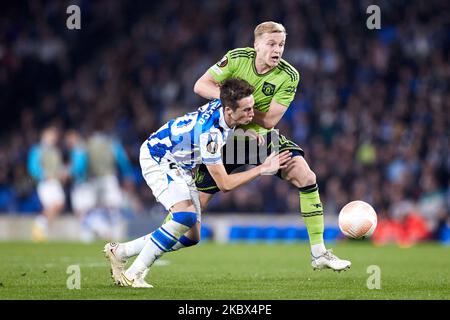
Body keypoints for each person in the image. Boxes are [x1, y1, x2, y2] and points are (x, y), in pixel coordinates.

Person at [193, 21, 351, 271]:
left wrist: (242, 109)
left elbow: (269, 120)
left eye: (282, 45)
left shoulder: (289, 76)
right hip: (224, 138)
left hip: (259, 138)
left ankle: (319, 253)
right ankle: (139, 254)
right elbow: (201, 85)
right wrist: (233, 104)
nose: (277, 50)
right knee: (192, 209)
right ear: (256, 45)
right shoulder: (237, 58)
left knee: (305, 175)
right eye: (271, 44)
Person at [104, 78, 292, 288]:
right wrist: (261, 169)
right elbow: (225, 184)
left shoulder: (223, 107)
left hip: (181, 163)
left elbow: (227, 119)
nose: (252, 114)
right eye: (247, 110)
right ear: (229, 110)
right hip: (159, 157)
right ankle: (133, 273)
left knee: (192, 236)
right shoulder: (210, 135)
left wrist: (250, 131)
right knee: (185, 216)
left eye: (252, 107)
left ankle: (121, 252)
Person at [27, 125, 67, 242]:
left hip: (55, 181)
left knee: (59, 205)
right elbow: (33, 166)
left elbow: (58, 167)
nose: (53, 138)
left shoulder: (55, 151)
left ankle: (40, 227)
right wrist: (42, 174)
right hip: (45, 182)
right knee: (53, 205)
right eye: (51, 135)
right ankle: (39, 228)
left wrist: (62, 173)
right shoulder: (38, 149)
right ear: (44, 136)